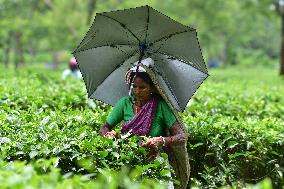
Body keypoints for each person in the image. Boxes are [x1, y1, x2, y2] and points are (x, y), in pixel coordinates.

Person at [99, 62, 188, 188]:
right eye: (134, 86)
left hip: (156, 163)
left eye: (142, 87)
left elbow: (182, 136)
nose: (137, 91)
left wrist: (161, 140)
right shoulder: (124, 104)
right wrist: (108, 135)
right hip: (129, 161)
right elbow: (104, 127)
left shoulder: (161, 105)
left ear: (152, 88)